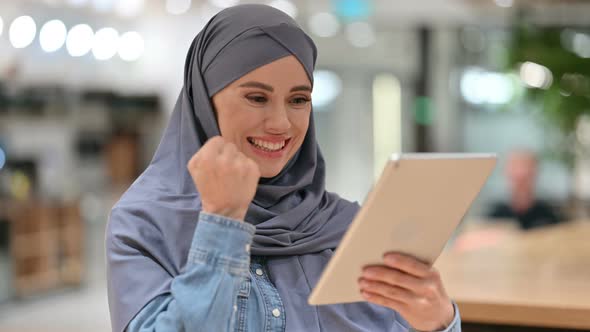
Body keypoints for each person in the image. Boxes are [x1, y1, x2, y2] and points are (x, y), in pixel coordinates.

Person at [106, 4, 460, 332]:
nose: (281, 123)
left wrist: (438, 322)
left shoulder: (344, 227)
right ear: (204, 102)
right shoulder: (145, 223)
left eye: (298, 100)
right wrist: (222, 223)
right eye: (257, 97)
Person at [487, 150, 563, 230]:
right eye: (515, 167)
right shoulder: (495, 216)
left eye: (527, 168)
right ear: (506, 173)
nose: (521, 173)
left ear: (536, 173)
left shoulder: (549, 213)